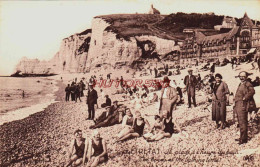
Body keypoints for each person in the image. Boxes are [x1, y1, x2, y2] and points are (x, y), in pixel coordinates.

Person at [234, 71, 256, 145]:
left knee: (243, 122)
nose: (242, 78)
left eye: (243, 76)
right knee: (240, 122)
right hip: (239, 104)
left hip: (243, 105)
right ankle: (242, 137)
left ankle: (243, 139)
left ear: (246, 77)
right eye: (240, 76)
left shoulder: (248, 84)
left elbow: (252, 91)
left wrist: (245, 98)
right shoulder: (241, 83)